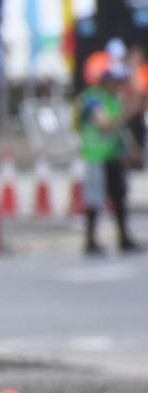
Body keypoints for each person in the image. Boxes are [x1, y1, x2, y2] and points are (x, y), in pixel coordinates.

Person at [76, 49, 138, 256]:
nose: (116, 84)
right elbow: (104, 125)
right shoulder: (92, 99)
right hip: (96, 157)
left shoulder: (112, 98)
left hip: (113, 155)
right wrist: (127, 111)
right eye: (112, 79)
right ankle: (90, 239)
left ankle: (124, 237)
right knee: (95, 200)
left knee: (119, 197)